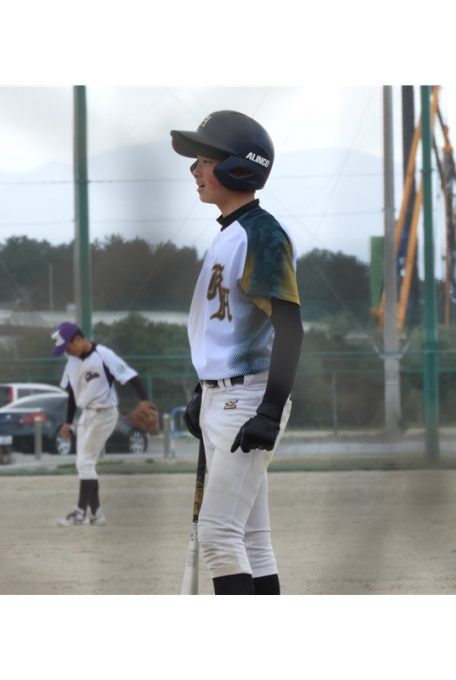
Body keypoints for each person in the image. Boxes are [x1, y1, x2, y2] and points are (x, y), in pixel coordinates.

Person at [170, 110, 304, 595]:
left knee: (218, 535)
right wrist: (201, 391)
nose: (195, 170)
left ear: (238, 168)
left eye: (205, 160)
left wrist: (268, 410)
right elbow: (222, 332)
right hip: (222, 398)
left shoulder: (260, 235)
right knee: (250, 538)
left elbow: (290, 330)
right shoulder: (229, 233)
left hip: (247, 401)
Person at [51, 321, 150, 527]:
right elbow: (72, 394)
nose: (67, 352)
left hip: (105, 413)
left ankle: (80, 513)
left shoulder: (103, 354)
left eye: (68, 347)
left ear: (78, 339)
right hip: (85, 415)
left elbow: (130, 375)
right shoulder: (72, 362)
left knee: (85, 462)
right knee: (84, 464)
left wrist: (144, 399)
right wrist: (68, 422)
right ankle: (96, 514)